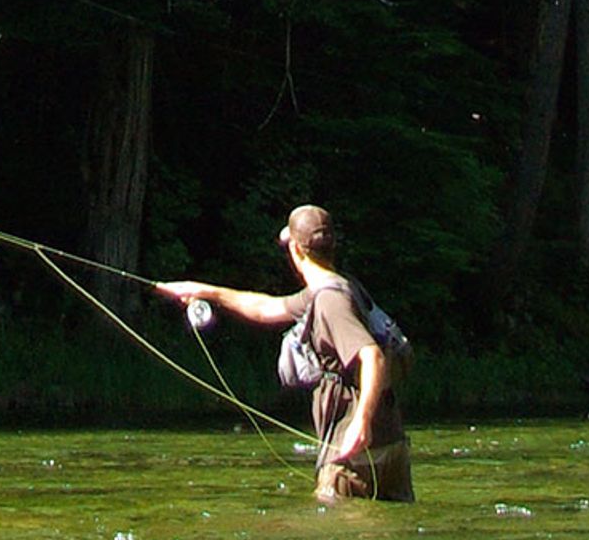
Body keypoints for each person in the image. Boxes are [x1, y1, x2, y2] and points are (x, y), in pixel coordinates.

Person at [155, 205, 413, 502]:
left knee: (334, 534)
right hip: (390, 441)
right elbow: (267, 308)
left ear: (295, 249)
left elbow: (372, 357)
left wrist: (361, 422)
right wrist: (202, 291)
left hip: (353, 447)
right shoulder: (336, 287)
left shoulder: (330, 301)